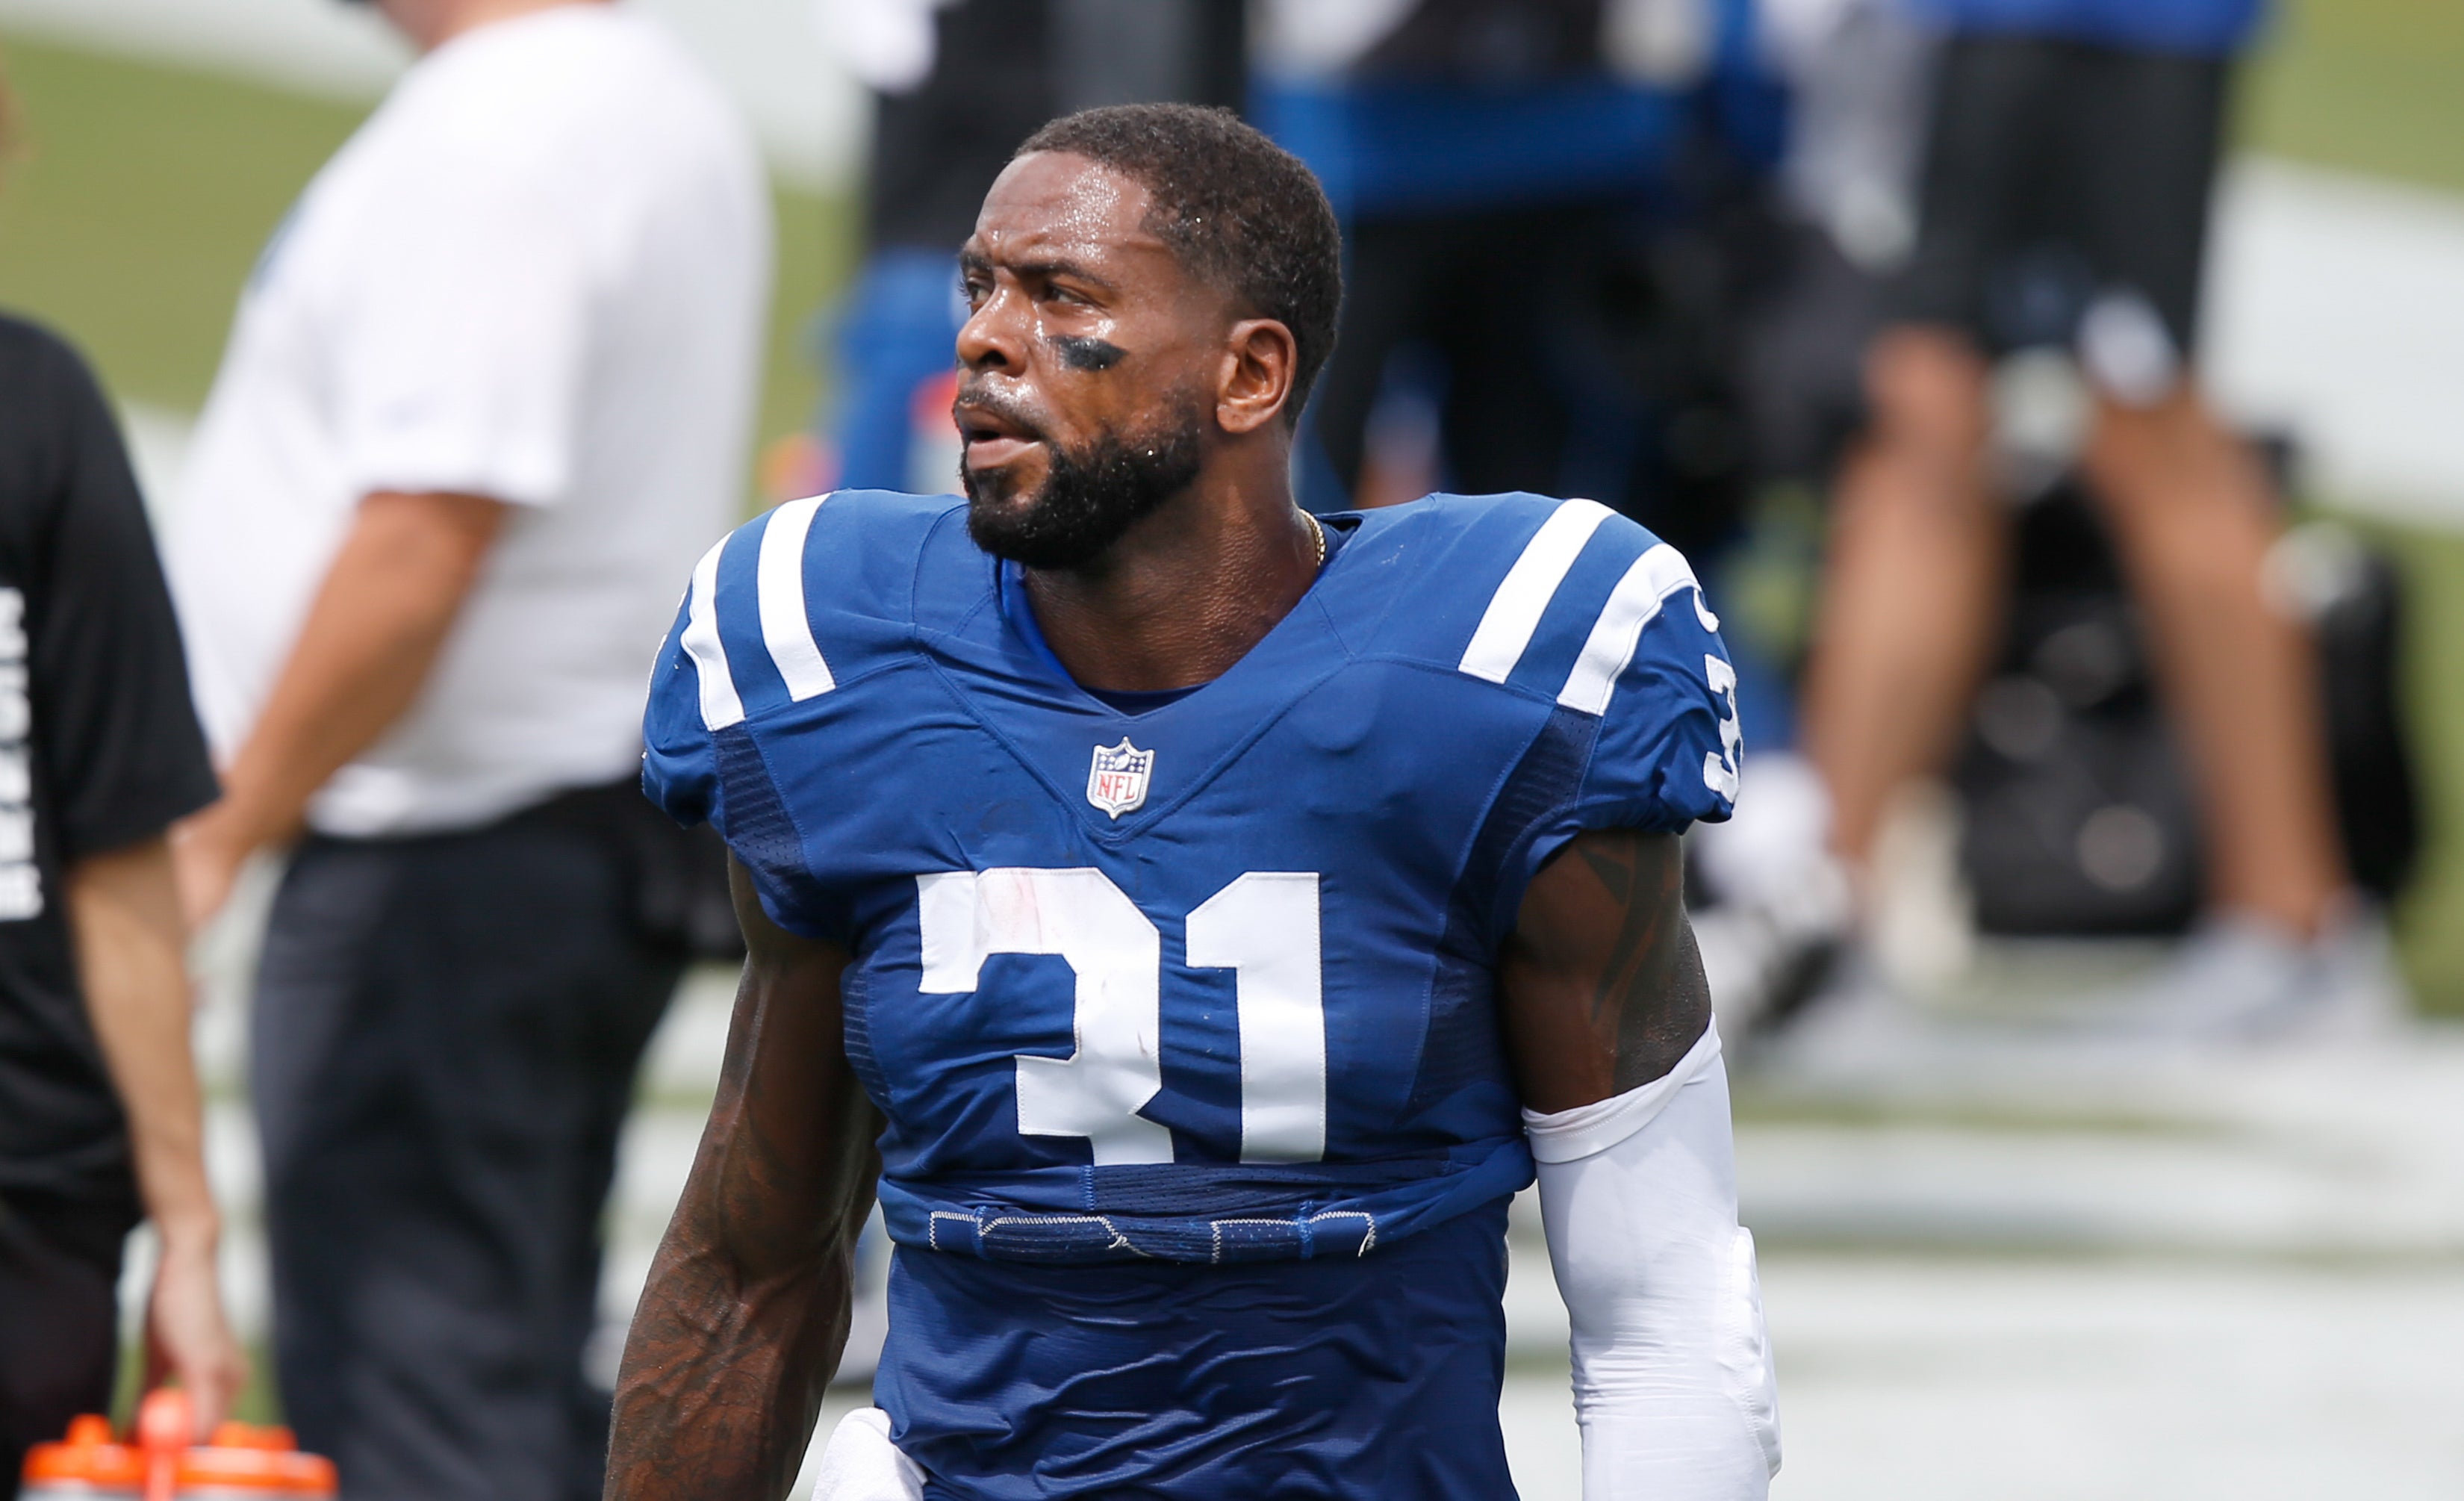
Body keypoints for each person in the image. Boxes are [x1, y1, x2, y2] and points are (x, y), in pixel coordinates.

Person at [608, 104, 1780, 1500]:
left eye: (1063, 298)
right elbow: (752, 1270)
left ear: (1249, 374)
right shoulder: (844, 664)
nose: (987, 338)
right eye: (979, 285)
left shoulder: (1492, 679)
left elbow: (1663, 1301)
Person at [161, 0, 768, 1494]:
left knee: (415, 1397)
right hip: (549, 842)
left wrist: (218, 830)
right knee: (498, 1362)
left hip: (448, 854)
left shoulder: (509, 131)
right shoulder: (635, 101)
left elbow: (426, 533)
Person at [1796, 0, 2386, 1030]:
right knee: (1925, 411)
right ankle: (1818, 914)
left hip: (2115, 30)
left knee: (2145, 425)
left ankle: (2297, 928)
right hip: (1972, 31)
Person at [0, 237, 247, 1484]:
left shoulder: (33, 409)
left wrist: (191, 1239)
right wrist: (189, 1240)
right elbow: (121, 866)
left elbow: (122, 868)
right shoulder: (37, 405)